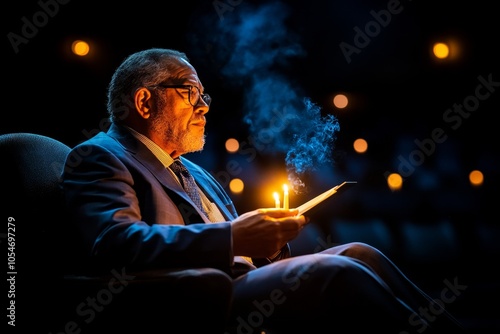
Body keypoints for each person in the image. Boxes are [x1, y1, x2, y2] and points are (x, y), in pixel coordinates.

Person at [60, 48, 465, 333]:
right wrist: (234, 236)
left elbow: (241, 245)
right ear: (145, 102)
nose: (204, 106)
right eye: (189, 91)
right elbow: (115, 242)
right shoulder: (99, 156)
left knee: (361, 251)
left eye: (205, 96)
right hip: (192, 294)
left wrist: (267, 242)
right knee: (336, 269)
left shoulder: (196, 173)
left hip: (237, 276)